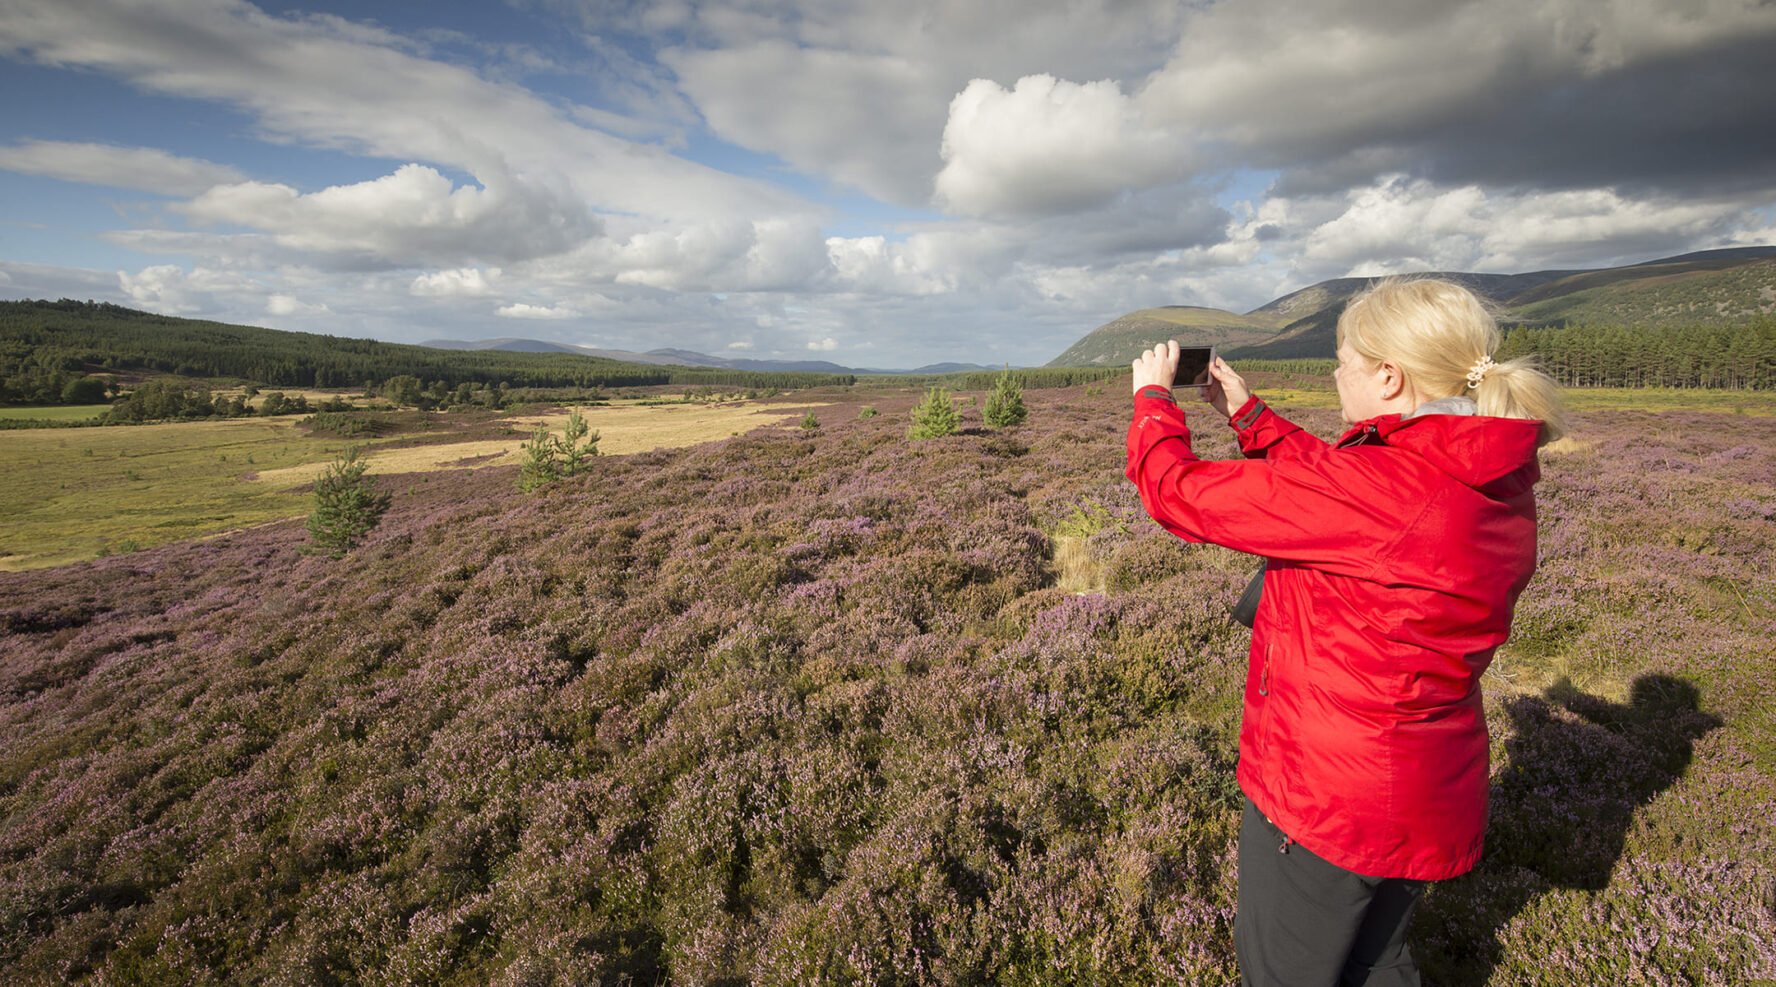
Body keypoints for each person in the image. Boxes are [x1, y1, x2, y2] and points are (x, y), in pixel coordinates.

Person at [1124, 278, 1565, 986]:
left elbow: (1175, 492)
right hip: (1425, 786)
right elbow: (1348, 491)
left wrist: (1153, 401)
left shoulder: (1383, 489)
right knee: (1377, 961)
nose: (1335, 375)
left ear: (1389, 376)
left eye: (1342, 361)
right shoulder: (1489, 476)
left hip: (1328, 799)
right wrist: (1250, 417)